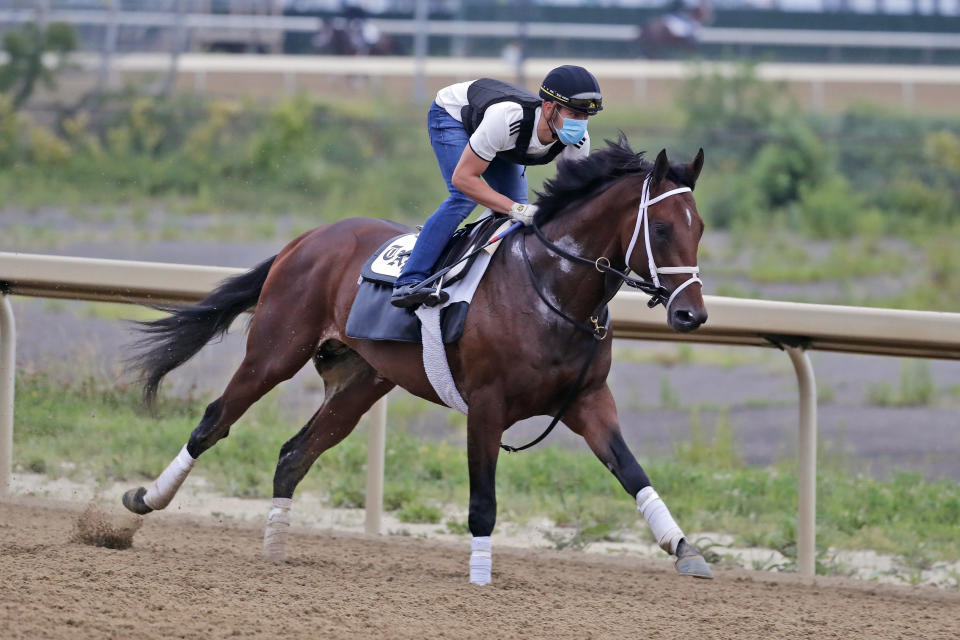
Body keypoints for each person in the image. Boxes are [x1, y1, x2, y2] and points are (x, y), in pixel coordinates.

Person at [390, 65, 603, 308]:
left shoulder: (578, 142)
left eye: (586, 117)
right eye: (574, 115)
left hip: (500, 139)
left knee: (514, 211)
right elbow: (464, 178)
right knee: (464, 197)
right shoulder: (507, 118)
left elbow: (574, 203)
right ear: (548, 108)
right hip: (453, 115)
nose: (581, 124)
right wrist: (516, 208)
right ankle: (409, 280)